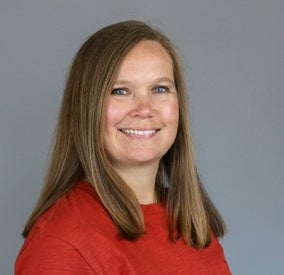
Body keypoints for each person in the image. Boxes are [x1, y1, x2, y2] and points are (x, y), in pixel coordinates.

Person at [15, 20, 231, 274]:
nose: (145, 109)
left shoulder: (193, 223)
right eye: (120, 91)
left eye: (159, 89)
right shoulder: (60, 244)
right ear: (87, 108)